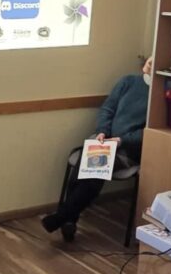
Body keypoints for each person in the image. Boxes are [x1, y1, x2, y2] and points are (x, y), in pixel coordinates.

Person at [42, 56, 152, 241]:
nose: (150, 66)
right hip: (104, 139)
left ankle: (64, 217)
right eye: (150, 61)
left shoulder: (159, 95)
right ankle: (68, 218)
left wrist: (121, 140)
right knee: (84, 164)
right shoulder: (128, 82)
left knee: (94, 169)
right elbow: (107, 109)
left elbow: (149, 132)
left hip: (126, 150)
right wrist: (102, 131)